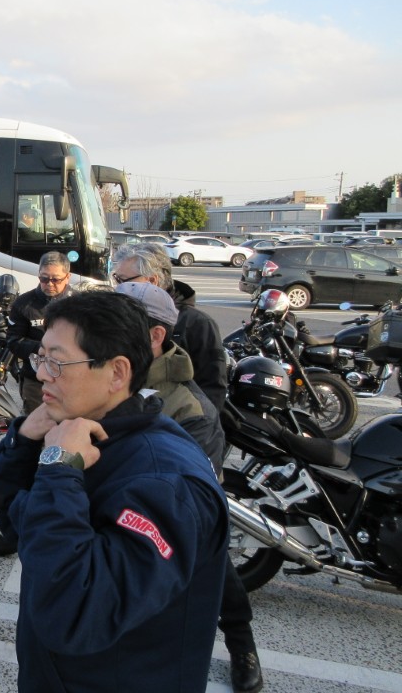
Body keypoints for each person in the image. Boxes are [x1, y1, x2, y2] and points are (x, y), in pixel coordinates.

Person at [0, 290, 228, 693]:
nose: (42, 374)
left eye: (57, 362)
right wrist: (24, 445)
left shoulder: (163, 482)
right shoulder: (79, 435)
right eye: (40, 358)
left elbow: (75, 613)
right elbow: (19, 529)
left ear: (117, 373)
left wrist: (58, 469)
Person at [117, 281, 263, 693]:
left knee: (212, 563)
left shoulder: (189, 407)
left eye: (121, 326)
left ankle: (241, 642)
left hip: (160, 520)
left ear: (155, 336)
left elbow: (189, 499)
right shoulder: (115, 374)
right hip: (115, 515)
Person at [112, 241, 228, 411]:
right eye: (116, 279)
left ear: (152, 281)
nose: (118, 287)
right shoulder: (121, 314)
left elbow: (213, 390)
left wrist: (188, 423)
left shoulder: (198, 324)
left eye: (123, 281)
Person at [5, 251, 75, 414]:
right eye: (44, 279)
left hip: (71, 379)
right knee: (36, 424)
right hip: (36, 381)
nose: (49, 284)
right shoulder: (23, 304)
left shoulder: (80, 304)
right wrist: (45, 349)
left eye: (55, 279)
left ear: (68, 277)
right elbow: (13, 341)